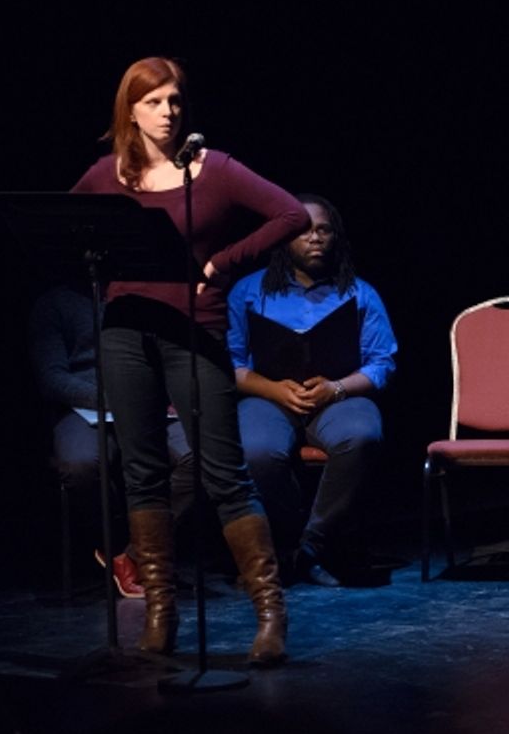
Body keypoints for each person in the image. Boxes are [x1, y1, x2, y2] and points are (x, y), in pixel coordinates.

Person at [71, 56, 308, 665]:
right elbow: (69, 228)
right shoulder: (108, 175)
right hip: (126, 333)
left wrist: (221, 263)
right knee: (142, 472)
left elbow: (290, 213)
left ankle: (269, 614)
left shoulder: (214, 170)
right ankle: (159, 613)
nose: (168, 112)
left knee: (225, 473)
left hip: (193, 333)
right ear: (130, 110)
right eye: (154, 102)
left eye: (175, 100)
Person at [228, 194, 397, 587]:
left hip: (337, 396)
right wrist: (272, 389)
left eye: (324, 230)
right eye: (304, 230)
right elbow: (230, 363)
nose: (315, 238)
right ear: (284, 237)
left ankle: (310, 546)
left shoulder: (359, 293)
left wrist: (336, 388)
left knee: (362, 436)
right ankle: (287, 544)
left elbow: (382, 363)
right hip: (269, 395)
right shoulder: (249, 291)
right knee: (256, 451)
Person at [29, 283, 194, 598]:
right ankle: (116, 547)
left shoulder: (146, 296)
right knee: (80, 464)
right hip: (86, 407)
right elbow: (52, 378)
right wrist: (112, 400)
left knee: (198, 456)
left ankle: (135, 553)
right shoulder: (56, 302)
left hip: (150, 404)